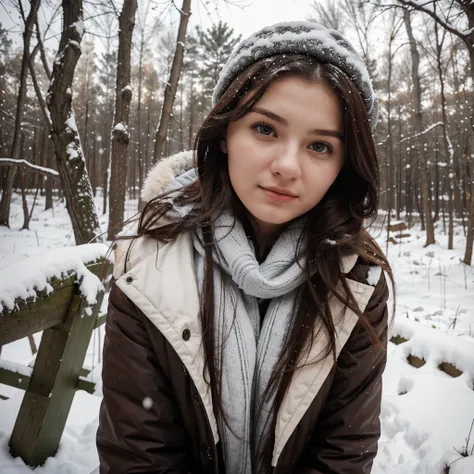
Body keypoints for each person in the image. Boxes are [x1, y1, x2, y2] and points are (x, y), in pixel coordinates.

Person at [96, 21, 394, 474]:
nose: (288, 166)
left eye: (319, 145)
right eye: (265, 129)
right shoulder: (147, 262)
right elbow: (140, 455)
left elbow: (341, 456)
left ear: (343, 165)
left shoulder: (356, 279)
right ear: (224, 134)